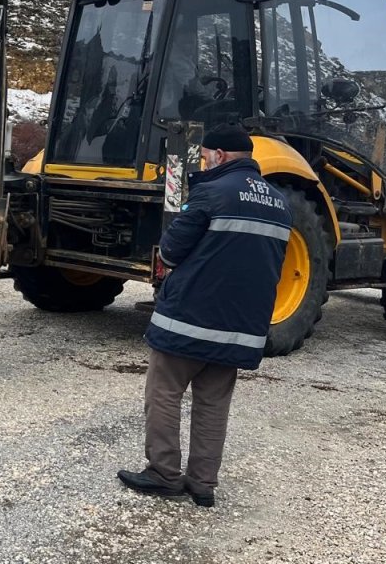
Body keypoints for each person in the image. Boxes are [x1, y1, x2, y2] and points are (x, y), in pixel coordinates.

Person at [117, 124, 290, 507]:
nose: (205, 161)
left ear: (221, 156)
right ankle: (202, 483)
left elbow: (172, 253)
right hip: (240, 327)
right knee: (213, 403)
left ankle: (163, 473)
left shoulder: (211, 192)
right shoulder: (280, 202)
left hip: (190, 320)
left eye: (207, 155)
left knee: (164, 392)